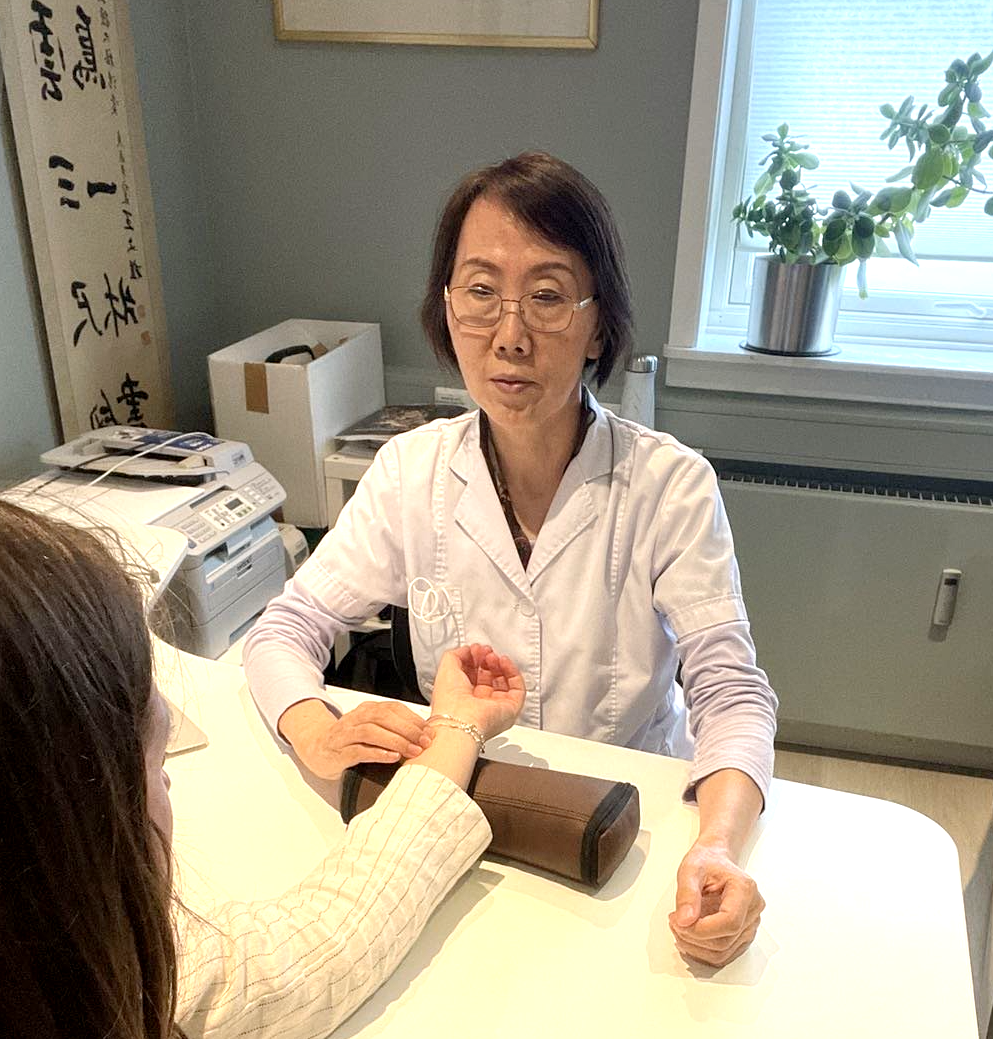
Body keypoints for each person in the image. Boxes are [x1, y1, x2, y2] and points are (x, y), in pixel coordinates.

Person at [243, 151, 778, 967]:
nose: (510, 335)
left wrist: (717, 845)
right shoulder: (410, 472)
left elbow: (730, 690)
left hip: (626, 839)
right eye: (481, 292)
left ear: (599, 323)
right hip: (460, 826)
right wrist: (315, 728)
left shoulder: (670, 485)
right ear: (446, 306)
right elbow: (285, 628)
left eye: (548, 297)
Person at [0, 482, 525, 1039]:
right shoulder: (113, 977)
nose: (167, 778)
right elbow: (317, 948)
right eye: (144, 760)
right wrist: (326, 731)